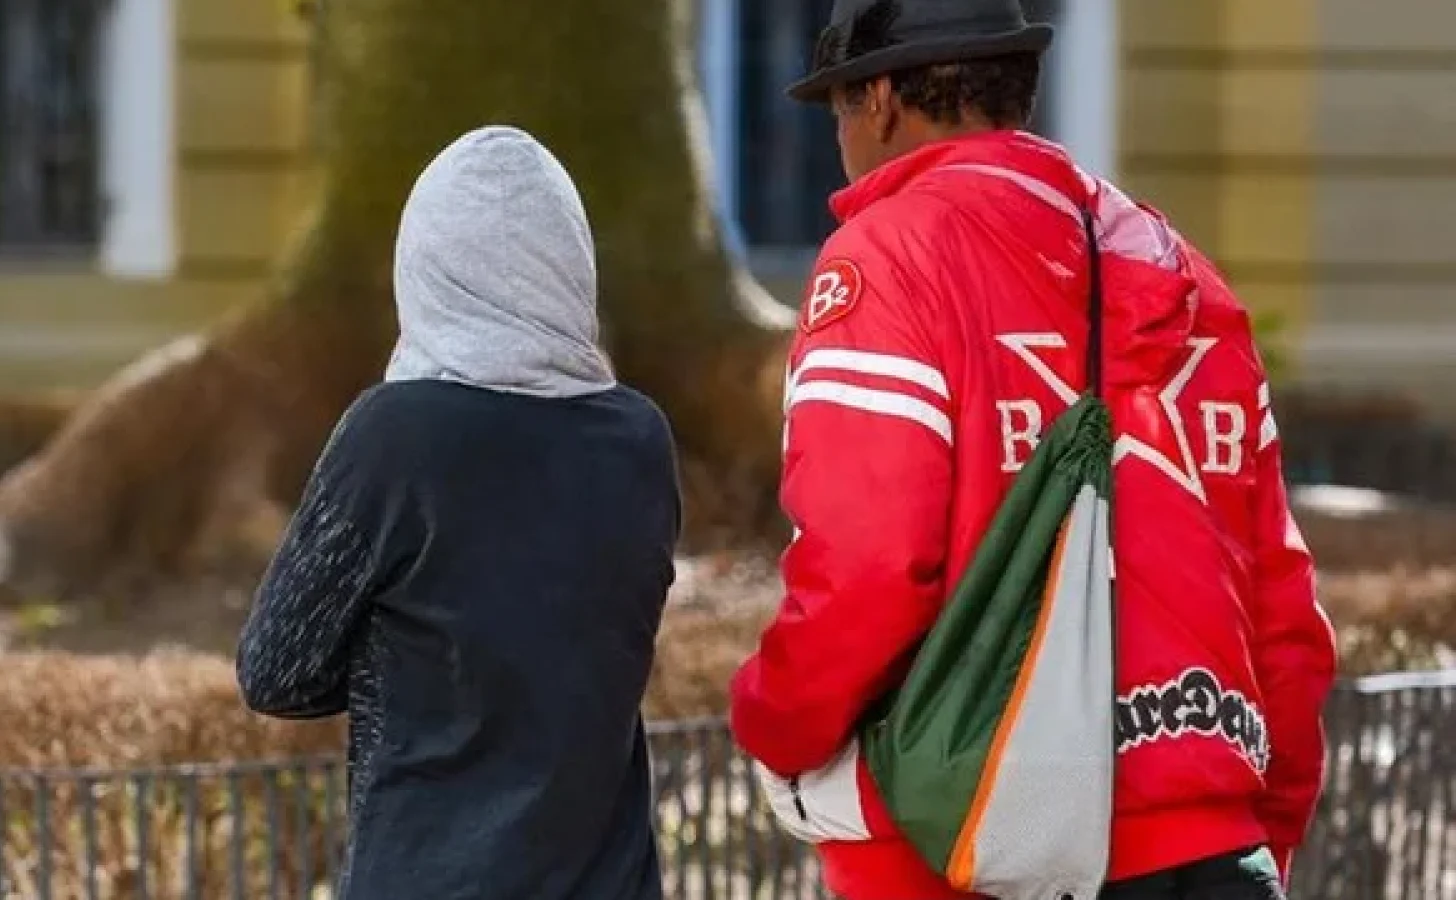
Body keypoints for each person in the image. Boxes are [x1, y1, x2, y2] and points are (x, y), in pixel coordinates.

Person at [727, 2, 1338, 899]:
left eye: (839, 114)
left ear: (883, 98)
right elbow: (1281, 609)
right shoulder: (1190, 278)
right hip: (1211, 838)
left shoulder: (890, 258)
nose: (841, 145)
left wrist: (773, 725)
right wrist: (1257, 835)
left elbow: (871, 565)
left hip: (968, 850)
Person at [236, 125, 681, 900]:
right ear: (571, 266)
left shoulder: (396, 435)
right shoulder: (637, 438)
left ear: (426, 268)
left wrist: (404, 662)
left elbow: (274, 671)